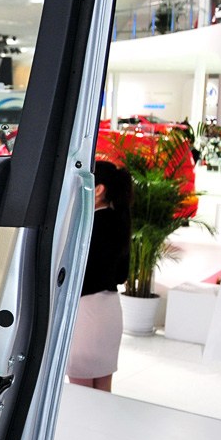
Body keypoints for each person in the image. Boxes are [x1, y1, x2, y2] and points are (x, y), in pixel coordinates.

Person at [67, 160, 133, 392]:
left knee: (81, 391)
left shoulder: (89, 224)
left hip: (86, 312)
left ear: (98, 189)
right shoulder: (120, 221)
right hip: (109, 312)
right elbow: (121, 274)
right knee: (103, 391)